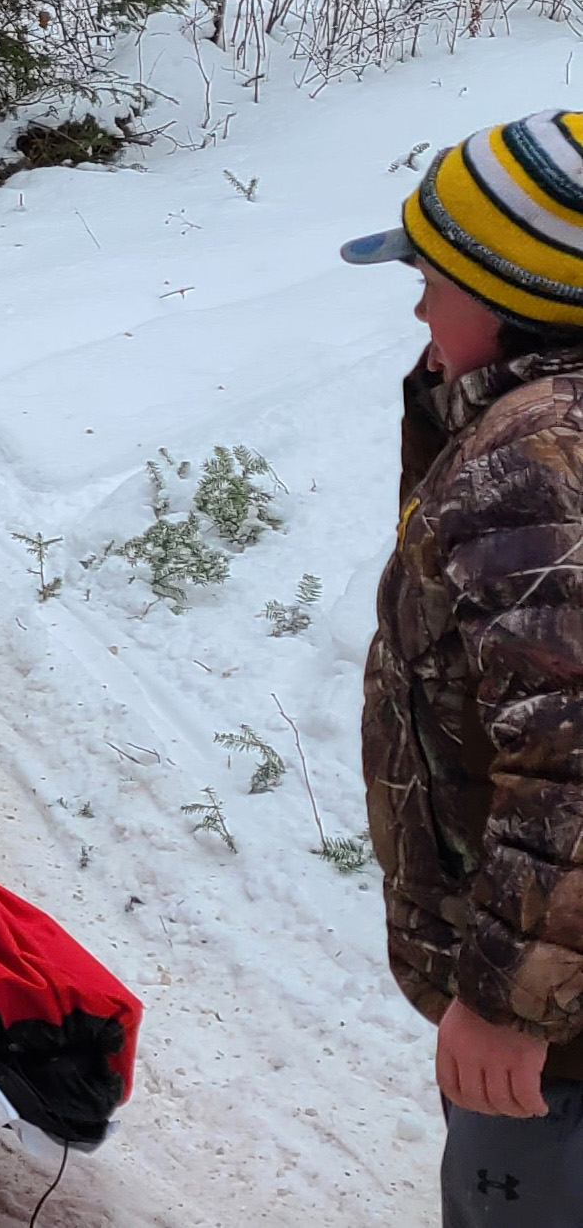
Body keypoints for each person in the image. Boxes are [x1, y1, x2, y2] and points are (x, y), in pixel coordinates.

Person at [342, 109, 583, 1226]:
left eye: (432, 277)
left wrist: (506, 1001)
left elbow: (571, 761)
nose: (417, 305)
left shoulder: (531, 467)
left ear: (515, 295)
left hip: (560, 1031)